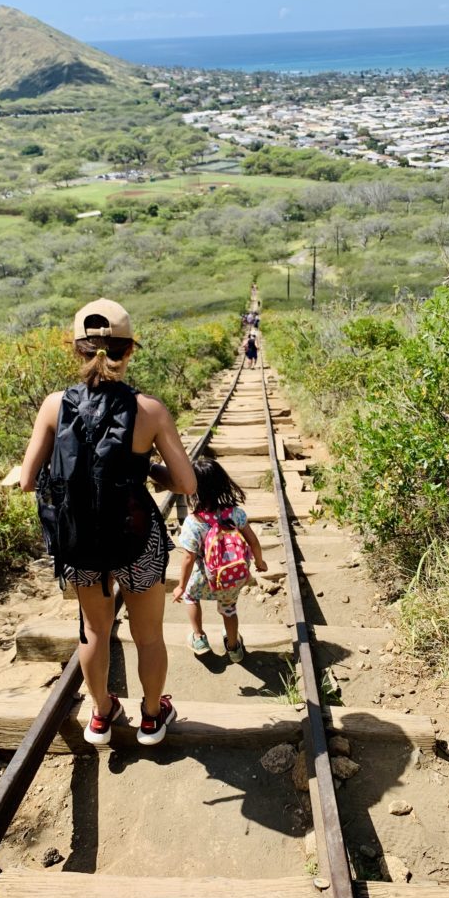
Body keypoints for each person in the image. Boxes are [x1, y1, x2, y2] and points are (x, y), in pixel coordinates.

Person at [20, 298, 196, 746]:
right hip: (137, 539)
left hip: (79, 542)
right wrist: (147, 470)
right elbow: (187, 483)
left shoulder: (53, 406)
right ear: (129, 350)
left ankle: (101, 715)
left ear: (77, 350)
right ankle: (153, 718)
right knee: (149, 636)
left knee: (94, 630)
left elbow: (26, 480)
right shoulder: (150, 410)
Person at [172, 457, 267, 664]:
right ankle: (233, 648)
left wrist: (180, 586)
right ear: (223, 483)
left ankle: (199, 638)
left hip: (204, 577)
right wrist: (259, 562)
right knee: (229, 609)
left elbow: (188, 558)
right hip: (231, 577)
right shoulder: (235, 514)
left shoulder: (193, 522)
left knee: (190, 596)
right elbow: (253, 541)